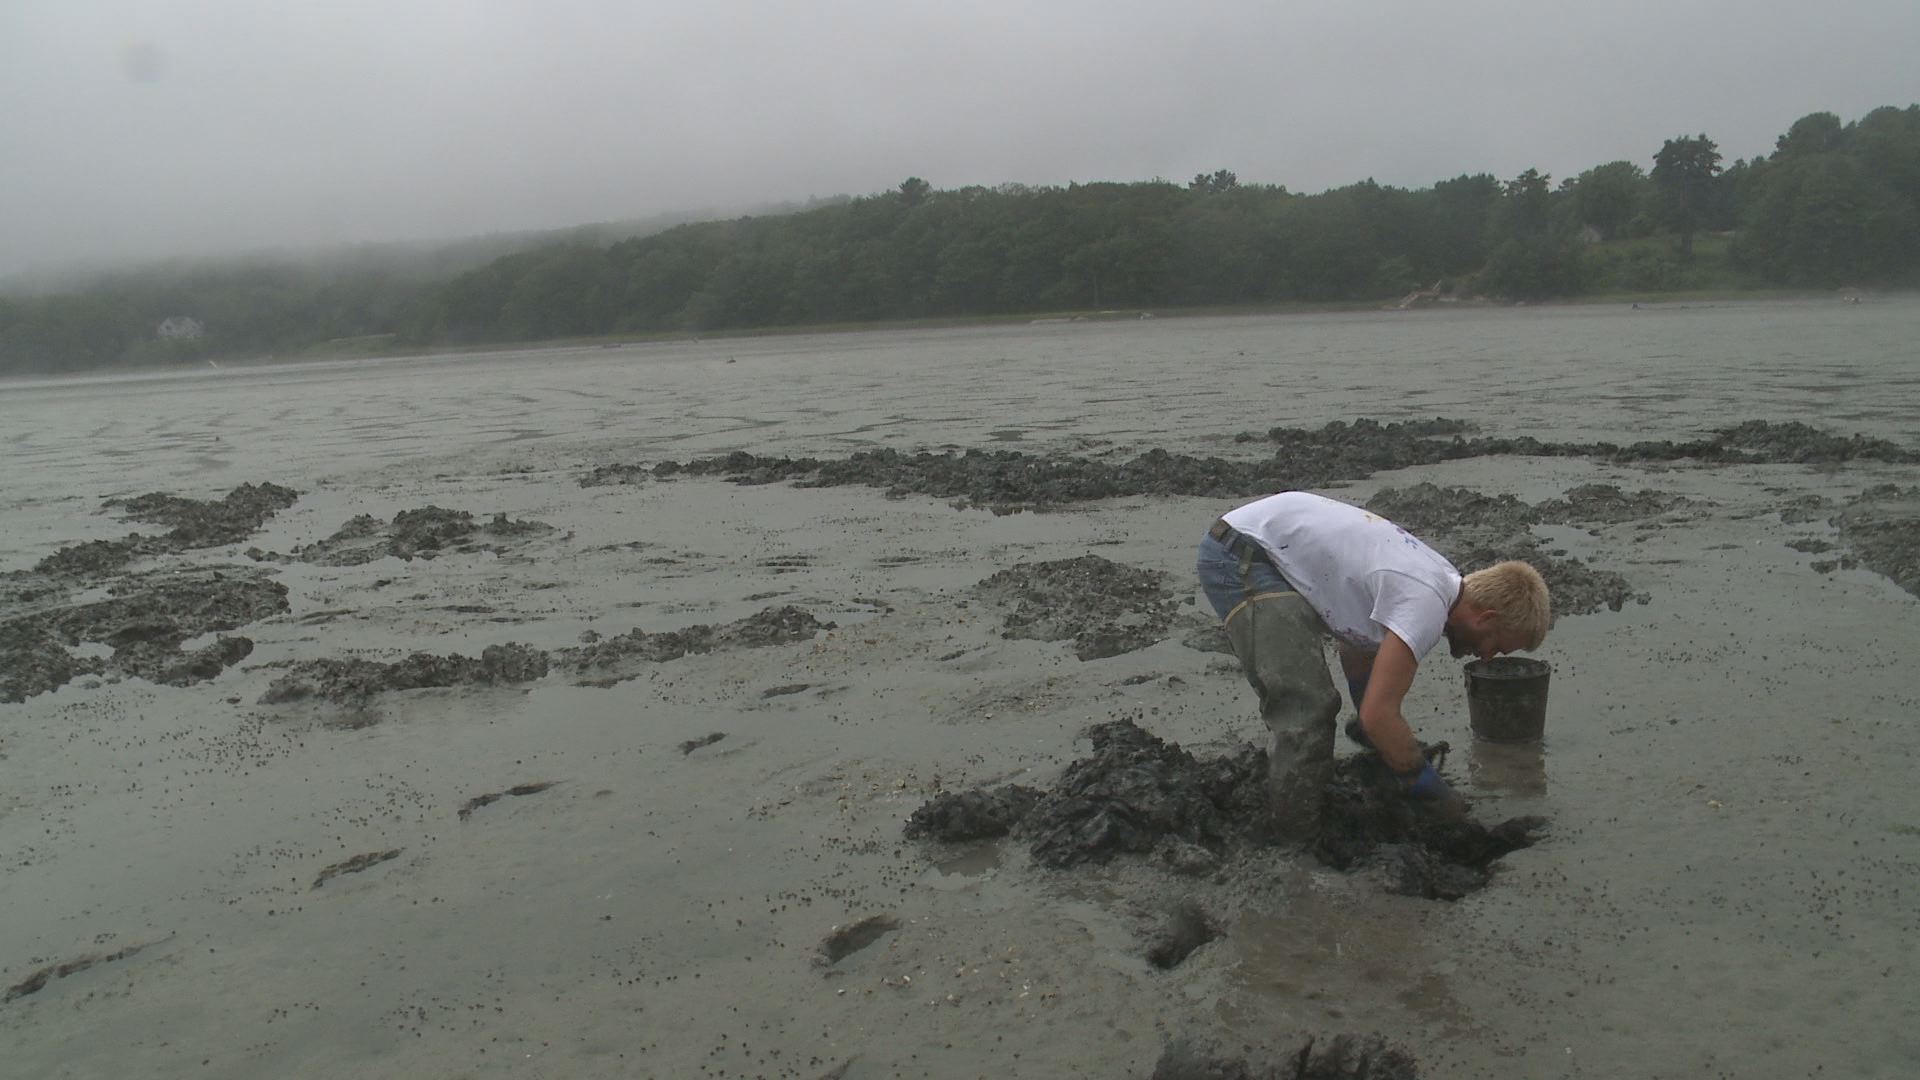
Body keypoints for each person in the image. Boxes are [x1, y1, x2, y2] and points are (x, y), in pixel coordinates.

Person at [1195, 490, 1551, 843]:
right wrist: (1423, 780)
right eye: (1497, 646)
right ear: (1486, 617)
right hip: (1244, 555)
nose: (1487, 657)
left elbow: (1358, 645)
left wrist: (1377, 732)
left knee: (1331, 710)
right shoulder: (1425, 602)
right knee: (1307, 710)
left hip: (1266, 545)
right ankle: (1295, 848)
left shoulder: (1440, 580)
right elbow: (1380, 715)